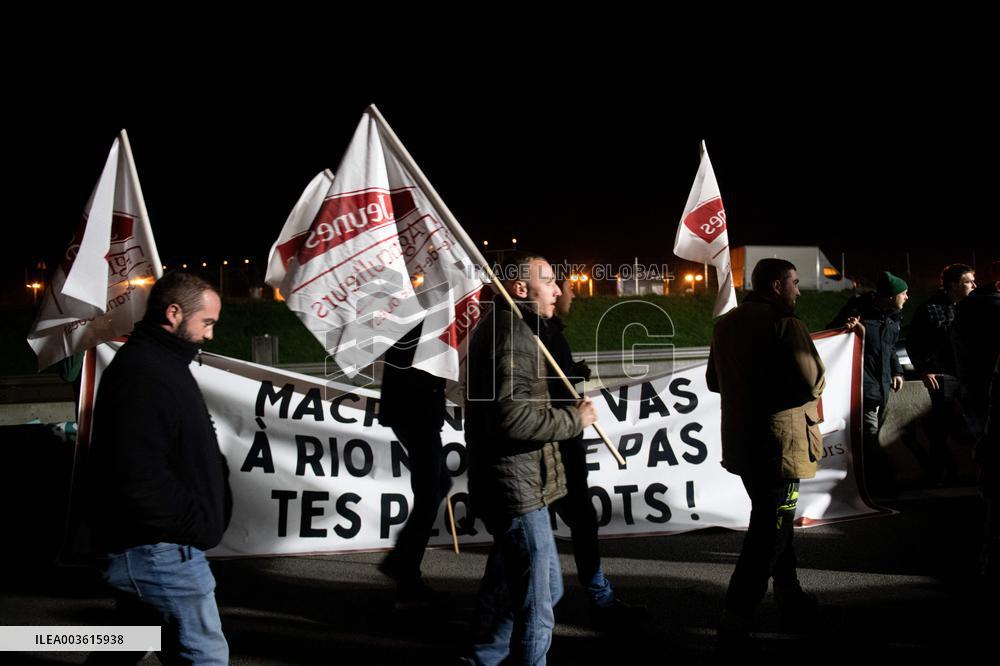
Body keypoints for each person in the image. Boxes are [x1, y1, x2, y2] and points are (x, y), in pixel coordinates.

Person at [87, 272, 231, 665]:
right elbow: (138, 475)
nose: (209, 335)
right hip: (162, 551)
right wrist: (192, 524)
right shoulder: (145, 373)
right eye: (207, 323)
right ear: (174, 313)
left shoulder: (160, 364)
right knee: (204, 656)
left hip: (153, 547)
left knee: (124, 646)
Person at [465, 253, 597, 665]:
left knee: (547, 592)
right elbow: (512, 417)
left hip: (518, 485)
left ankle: (483, 659)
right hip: (518, 490)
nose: (559, 290)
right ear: (521, 289)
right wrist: (572, 420)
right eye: (549, 282)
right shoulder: (514, 335)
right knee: (538, 610)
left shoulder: (508, 327)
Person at [706, 258, 825, 646]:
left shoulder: (726, 324)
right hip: (781, 446)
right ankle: (737, 615)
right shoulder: (786, 325)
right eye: (794, 282)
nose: (798, 289)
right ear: (776, 286)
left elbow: (712, 381)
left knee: (776, 523)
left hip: (743, 443)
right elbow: (812, 382)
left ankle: (791, 598)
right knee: (770, 532)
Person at [545, 278, 642, 627]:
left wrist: (572, 374)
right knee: (574, 525)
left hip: (559, 447)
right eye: (565, 287)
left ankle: (597, 595)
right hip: (556, 450)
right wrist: (575, 413)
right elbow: (547, 392)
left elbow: (553, 382)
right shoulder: (543, 335)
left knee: (565, 526)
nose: (568, 294)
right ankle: (598, 598)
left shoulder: (551, 333)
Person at [377, 321, 452, 609]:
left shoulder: (418, 320)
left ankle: (404, 567)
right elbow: (420, 371)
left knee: (434, 487)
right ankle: (404, 570)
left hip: (414, 413)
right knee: (430, 491)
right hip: (415, 414)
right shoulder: (421, 322)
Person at [828, 270, 909, 495]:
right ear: (891, 296)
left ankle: (866, 485)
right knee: (869, 439)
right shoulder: (858, 312)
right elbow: (834, 336)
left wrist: (897, 371)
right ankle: (878, 486)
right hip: (864, 388)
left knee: (869, 439)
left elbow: (890, 348)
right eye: (904, 294)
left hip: (883, 387)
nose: (907, 298)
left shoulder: (892, 315)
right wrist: (851, 331)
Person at [906, 263, 976, 483]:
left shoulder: (971, 307)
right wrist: (925, 370)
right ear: (954, 285)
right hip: (942, 377)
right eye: (968, 281)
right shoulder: (930, 309)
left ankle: (967, 470)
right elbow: (914, 343)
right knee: (940, 428)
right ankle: (939, 473)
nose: (974, 285)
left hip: (966, 375)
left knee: (968, 425)